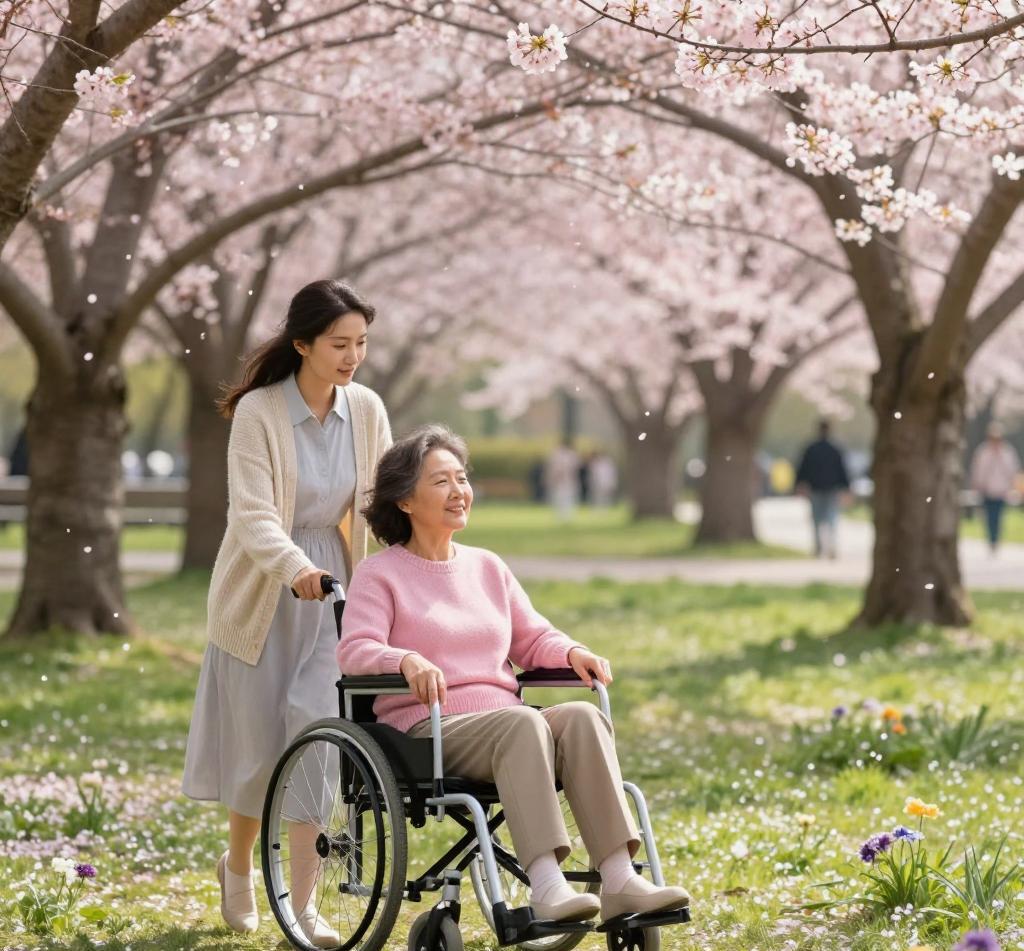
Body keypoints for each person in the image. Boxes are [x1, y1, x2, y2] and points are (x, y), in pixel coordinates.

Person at [338, 425, 690, 924]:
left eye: (461, 478)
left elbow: (532, 637)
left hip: (503, 719)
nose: (459, 491)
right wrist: (404, 659)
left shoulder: (488, 567)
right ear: (405, 501)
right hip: (427, 728)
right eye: (441, 482)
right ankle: (546, 887)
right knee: (524, 722)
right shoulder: (381, 574)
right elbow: (355, 650)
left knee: (582, 718)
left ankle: (619, 879)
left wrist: (571, 653)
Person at [181, 280, 392, 944]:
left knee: (316, 734)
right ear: (301, 344)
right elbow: (253, 514)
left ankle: (303, 904)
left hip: (335, 598)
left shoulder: (367, 409)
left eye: (360, 343)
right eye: (339, 344)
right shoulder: (260, 413)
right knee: (256, 753)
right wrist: (295, 567)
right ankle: (239, 867)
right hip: (263, 591)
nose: (352, 356)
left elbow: (379, 507)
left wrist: (402, 571)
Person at [794, 419, 850, 559]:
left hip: (816, 488)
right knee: (832, 518)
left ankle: (818, 548)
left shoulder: (811, 448)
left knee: (816, 519)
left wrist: (799, 484)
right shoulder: (835, 448)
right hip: (831, 488)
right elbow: (842, 470)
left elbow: (803, 469)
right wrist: (846, 487)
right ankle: (831, 546)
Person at [969, 421, 1021, 554]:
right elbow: (977, 470)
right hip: (986, 489)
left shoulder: (1007, 452)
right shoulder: (983, 452)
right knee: (988, 516)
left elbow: (1013, 470)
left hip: (1001, 490)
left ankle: (995, 540)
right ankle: (991, 539)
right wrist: (977, 485)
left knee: (998, 516)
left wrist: (1013, 486)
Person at [545, 437, 580, 522]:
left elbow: (573, 468)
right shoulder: (558, 454)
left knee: (566, 498)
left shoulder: (570, 455)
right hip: (561, 481)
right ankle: (561, 516)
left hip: (567, 480)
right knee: (560, 498)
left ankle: (566, 516)